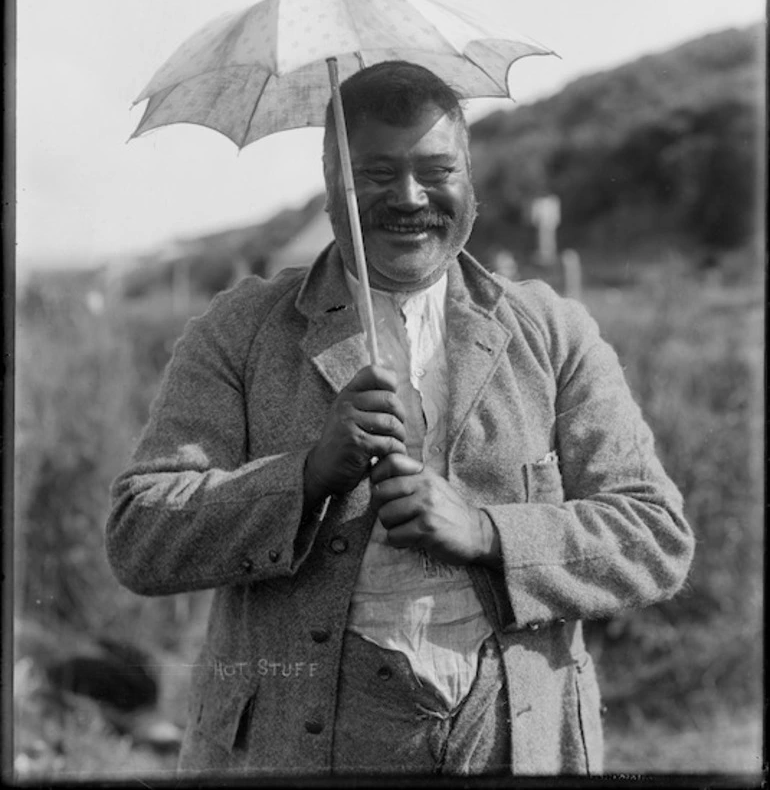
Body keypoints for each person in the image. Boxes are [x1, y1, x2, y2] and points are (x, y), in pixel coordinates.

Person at [106, 61, 694, 777]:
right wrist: (308, 474)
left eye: (436, 169)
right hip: (295, 753)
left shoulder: (554, 329)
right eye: (376, 174)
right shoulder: (239, 331)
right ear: (331, 186)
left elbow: (656, 536)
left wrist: (486, 532)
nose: (410, 197)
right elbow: (140, 535)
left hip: (519, 748)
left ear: (469, 181)